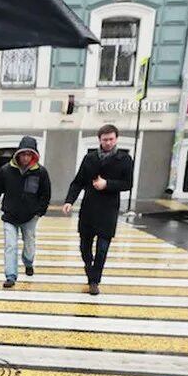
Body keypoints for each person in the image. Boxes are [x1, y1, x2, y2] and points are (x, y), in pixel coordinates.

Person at [63, 124, 135, 296]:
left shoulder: (124, 159)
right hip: (89, 208)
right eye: (105, 140)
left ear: (116, 139)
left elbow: (128, 184)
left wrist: (107, 184)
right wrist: (69, 201)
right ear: (100, 140)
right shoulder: (90, 158)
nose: (108, 143)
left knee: (102, 249)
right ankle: (90, 269)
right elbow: (78, 181)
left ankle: (94, 281)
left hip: (108, 210)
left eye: (111, 139)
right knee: (84, 247)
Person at [0, 136, 51, 288]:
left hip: (30, 216)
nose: (26, 157)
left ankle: (28, 262)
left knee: (29, 244)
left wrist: (40, 212)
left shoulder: (40, 172)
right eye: (23, 154)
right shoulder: (6, 170)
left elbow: (45, 194)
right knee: (10, 246)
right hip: (10, 215)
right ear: (18, 154)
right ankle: (10, 276)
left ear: (34, 155)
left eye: (29, 154)